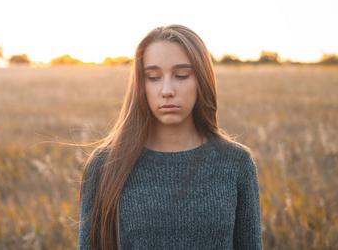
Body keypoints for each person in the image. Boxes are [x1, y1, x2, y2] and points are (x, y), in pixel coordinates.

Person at [78, 25, 263, 249]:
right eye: (153, 77)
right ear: (140, 84)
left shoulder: (235, 163)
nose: (167, 90)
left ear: (202, 80)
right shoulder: (105, 165)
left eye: (181, 76)